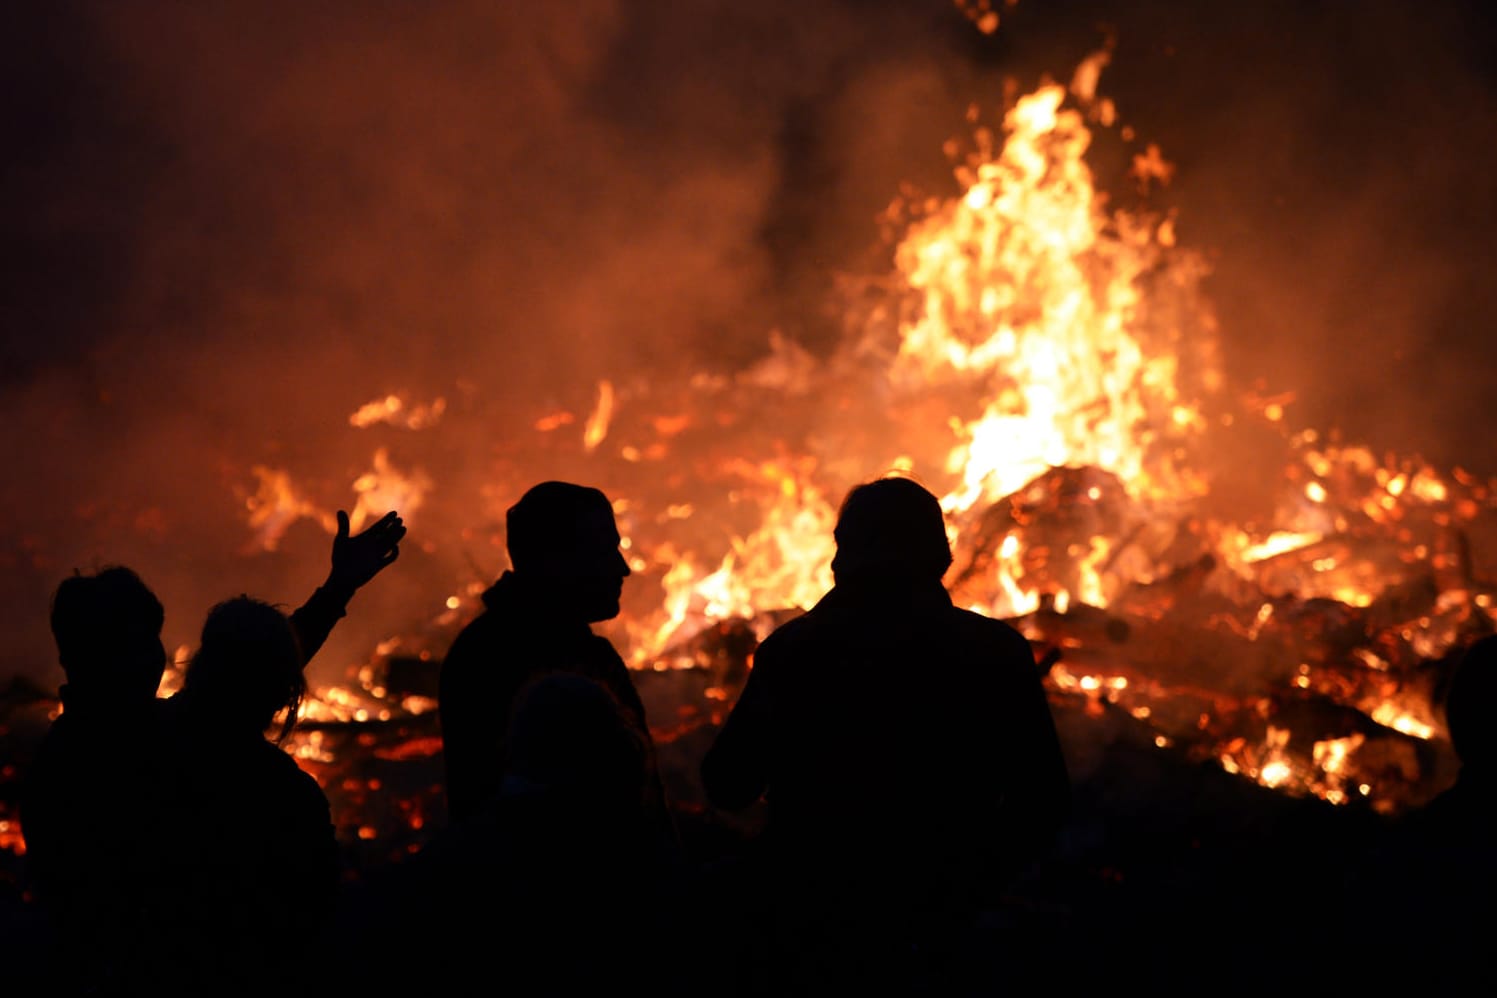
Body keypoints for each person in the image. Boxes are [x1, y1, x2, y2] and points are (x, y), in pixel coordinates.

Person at [700, 475, 1071, 993]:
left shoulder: (796, 653)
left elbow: (728, 783)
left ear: (843, 557)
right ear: (941, 558)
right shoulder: (995, 653)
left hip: (808, 922)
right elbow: (1044, 799)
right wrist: (970, 882)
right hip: (945, 926)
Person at [18, 508, 404, 996]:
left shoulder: (125, 735)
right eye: (136, 644)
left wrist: (337, 590)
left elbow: (248, 676)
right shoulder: (108, 760)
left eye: (152, 641)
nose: (152, 658)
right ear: (91, 658)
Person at [438, 481, 665, 828]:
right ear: (556, 561)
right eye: (604, 551)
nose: (622, 568)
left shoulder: (483, 648)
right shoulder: (496, 660)